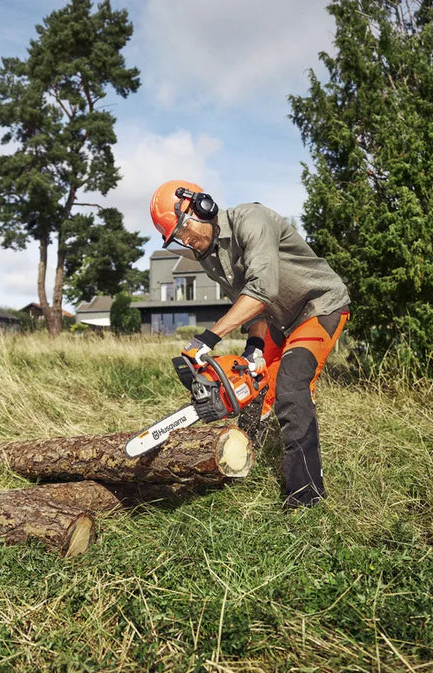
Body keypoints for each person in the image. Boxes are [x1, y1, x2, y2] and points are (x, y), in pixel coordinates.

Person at [149, 180, 350, 509]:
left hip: (318, 307)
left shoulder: (251, 222)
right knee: (253, 386)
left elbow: (262, 290)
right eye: (178, 238)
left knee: (290, 385)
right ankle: (241, 461)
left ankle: (306, 496)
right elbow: (248, 301)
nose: (187, 241)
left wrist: (207, 339)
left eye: (184, 231)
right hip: (277, 319)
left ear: (203, 207)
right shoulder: (208, 256)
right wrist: (254, 346)